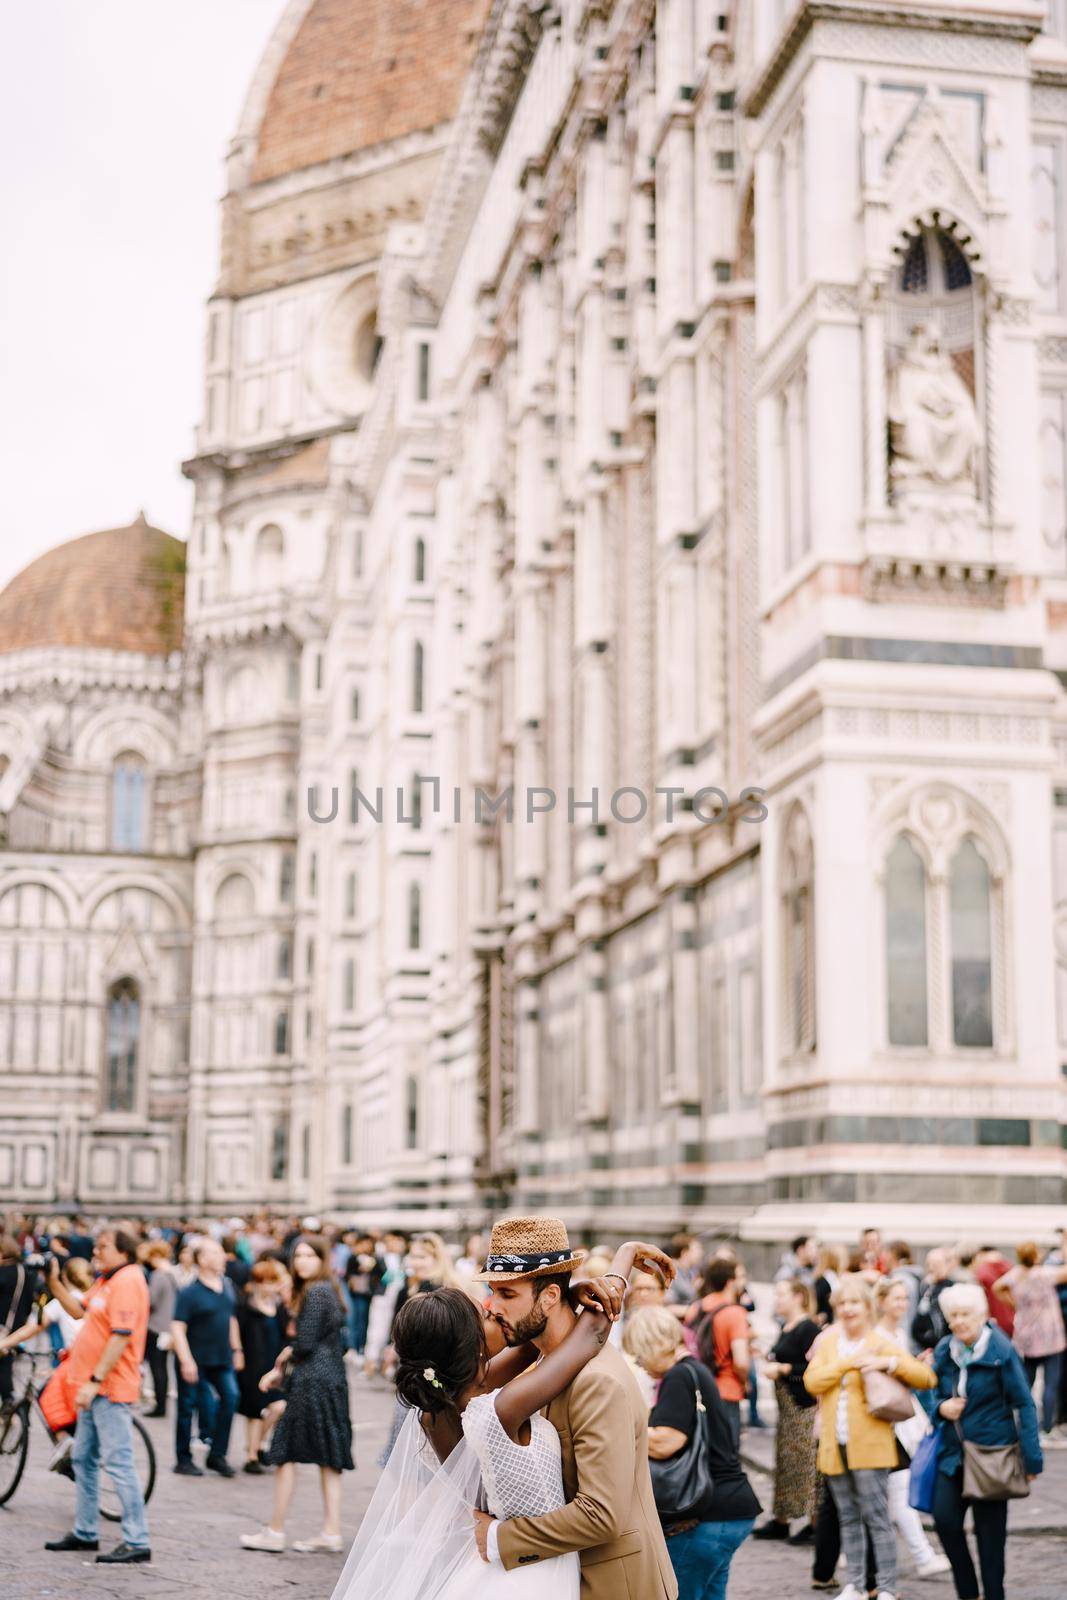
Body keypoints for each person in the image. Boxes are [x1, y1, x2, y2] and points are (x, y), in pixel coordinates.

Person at [461, 1219, 678, 1599]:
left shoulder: (596, 1382)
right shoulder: (546, 1364)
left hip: (615, 1586)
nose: (492, 1307)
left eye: (507, 1294)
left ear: (547, 1297)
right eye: (493, 1292)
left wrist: (499, 1538)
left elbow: (601, 1514)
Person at [804, 1272, 936, 1600]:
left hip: (871, 1445)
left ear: (867, 1307)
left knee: (876, 1516)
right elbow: (813, 1381)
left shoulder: (880, 1342)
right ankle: (857, 1584)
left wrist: (887, 1363)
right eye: (843, 1303)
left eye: (855, 1303)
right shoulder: (832, 1343)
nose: (848, 1309)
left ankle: (887, 1586)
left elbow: (925, 1377)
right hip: (835, 1444)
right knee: (847, 1516)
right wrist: (847, 1365)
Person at [624, 1305, 759, 1600]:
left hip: (709, 1514)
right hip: (733, 1508)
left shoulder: (677, 1377)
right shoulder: (696, 1371)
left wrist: (620, 1427)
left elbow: (666, 1442)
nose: (639, 1362)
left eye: (639, 1353)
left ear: (653, 1344)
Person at [42, 1227, 152, 1565]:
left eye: (103, 1247)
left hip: (108, 1387)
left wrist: (94, 1379)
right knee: (84, 1459)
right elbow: (78, 1311)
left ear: (124, 1251)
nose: (96, 1253)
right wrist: (54, 1281)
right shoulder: (107, 1279)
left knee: (119, 1464)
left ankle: (137, 1539)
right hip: (90, 1388)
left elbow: (121, 1337)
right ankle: (85, 1531)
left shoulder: (129, 1281)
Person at [241, 1235, 354, 1553]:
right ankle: (330, 1531)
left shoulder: (316, 1291)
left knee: (285, 1452)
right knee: (329, 1458)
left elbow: (303, 1344)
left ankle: (275, 1531)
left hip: (312, 1382)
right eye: (298, 1255)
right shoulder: (328, 1289)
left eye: (309, 1255)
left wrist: (282, 1361)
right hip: (332, 1380)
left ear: (322, 1259)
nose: (302, 1261)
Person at [932, 1283, 1043, 1600]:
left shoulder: (1000, 1351)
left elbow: (1024, 1403)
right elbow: (928, 1389)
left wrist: (1031, 1458)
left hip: (993, 1453)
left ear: (981, 1315)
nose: (958, 1322)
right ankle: (968, 1593)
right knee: (945, 1521)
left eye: (965, 1314)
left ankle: (994, 1594)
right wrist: (940, 1407)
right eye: (953, 1315)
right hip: (953, 1453)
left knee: (990, 1538)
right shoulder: (945, 1349)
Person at [874, 1278, 950, 1579]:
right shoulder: (878, 1335)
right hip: (886, 1420)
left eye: (905, 1298)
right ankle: (921, 1555)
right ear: (881, 1301)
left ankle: (920, 1554)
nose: (903, 1304)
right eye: (896, 1298)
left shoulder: (898, 1332)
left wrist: (912, 1365)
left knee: (892, 1488)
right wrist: (911, 1370)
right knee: (896, 1487)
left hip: (901, 1418)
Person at [753, 1278, 819, 1542]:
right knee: (786, 1463)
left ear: (798, 1297)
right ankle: (782, 1518)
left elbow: (814, 1367)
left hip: (803, 1407)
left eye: (782, 1294)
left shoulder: (808, 1329)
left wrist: (785, 1369)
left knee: (806, 1465)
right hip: (787, 1408)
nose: (777, 1299)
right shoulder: (787, 1327)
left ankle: (814, 1522)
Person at [171, 1237, 243, 1477]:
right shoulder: (190, 1292)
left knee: (231, 1398)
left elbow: (231, 1319)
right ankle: (183, 1458)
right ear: (201, 1259)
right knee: (187, 1407)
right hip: (195, 1358)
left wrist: (237, 1349)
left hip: (221, 1357)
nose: (221, 1256)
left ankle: (217, 1454)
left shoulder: (227, 1286)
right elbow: (177, 1328)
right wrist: (186, 1360)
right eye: (215, 1253)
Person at [991, 1241, 1067, 1443]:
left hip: (1026, 1336)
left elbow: (997, 1287)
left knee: (1026, 1382)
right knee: (1051, 1383)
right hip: (1049, 1335)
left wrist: (1013, 1303)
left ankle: (1021, 1423)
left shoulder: (1016, 1275)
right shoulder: (1043, 1274)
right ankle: (1047, 1428)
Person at [684, 1258, 749, 1447]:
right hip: (727, 1390)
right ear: (730, 1281)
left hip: (698, 1388)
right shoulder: (735, 1313)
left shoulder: (695, 1308)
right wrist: (744, 1382)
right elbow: (741, 1361)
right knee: (727, 1456)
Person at [235, 1261, 286, 1473]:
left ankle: (256, 1445)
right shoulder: (246, 1305)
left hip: (273, 1365)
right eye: (263, 1282)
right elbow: (237, 1330)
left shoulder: (280, 1305)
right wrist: (237, 1353)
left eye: (271, 1282)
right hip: (252, 1364)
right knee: (254, 1412)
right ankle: (252, 1455)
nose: (268, 1286)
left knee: (278, 1407)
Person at [0, 1234, 39, 1409]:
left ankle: (8, 1398)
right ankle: (8, 1398)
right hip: (16, 1324)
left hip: (2, 1322)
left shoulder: (2, 1274)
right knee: (6, 1361)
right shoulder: (25, 1272)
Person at [143, 1241, 176, 1417]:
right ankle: (162, 1404)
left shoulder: (158, 1275)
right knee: (162, 1367)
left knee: (158, 1369)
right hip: (168, 1326)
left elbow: (150, 1300)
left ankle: (160, 1405)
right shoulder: (171, 1273)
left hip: (156, 1326)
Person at [912, 1247, 954, 1354]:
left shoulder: (953, 1289)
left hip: (946, 1348)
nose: (931, 1268)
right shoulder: (924, 1287)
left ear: (947, 1265)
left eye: (936, 1264)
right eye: (928, 1264)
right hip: (924, 1347)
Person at [343, 1233, 377, 1356]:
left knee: (363, 1321)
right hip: (355, 1293)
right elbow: (348, 1275)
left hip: (367, 1294)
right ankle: (354, 1347)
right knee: (354, 1321)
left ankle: (360, 1346)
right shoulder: (353, 1258)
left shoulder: (374, 1258)